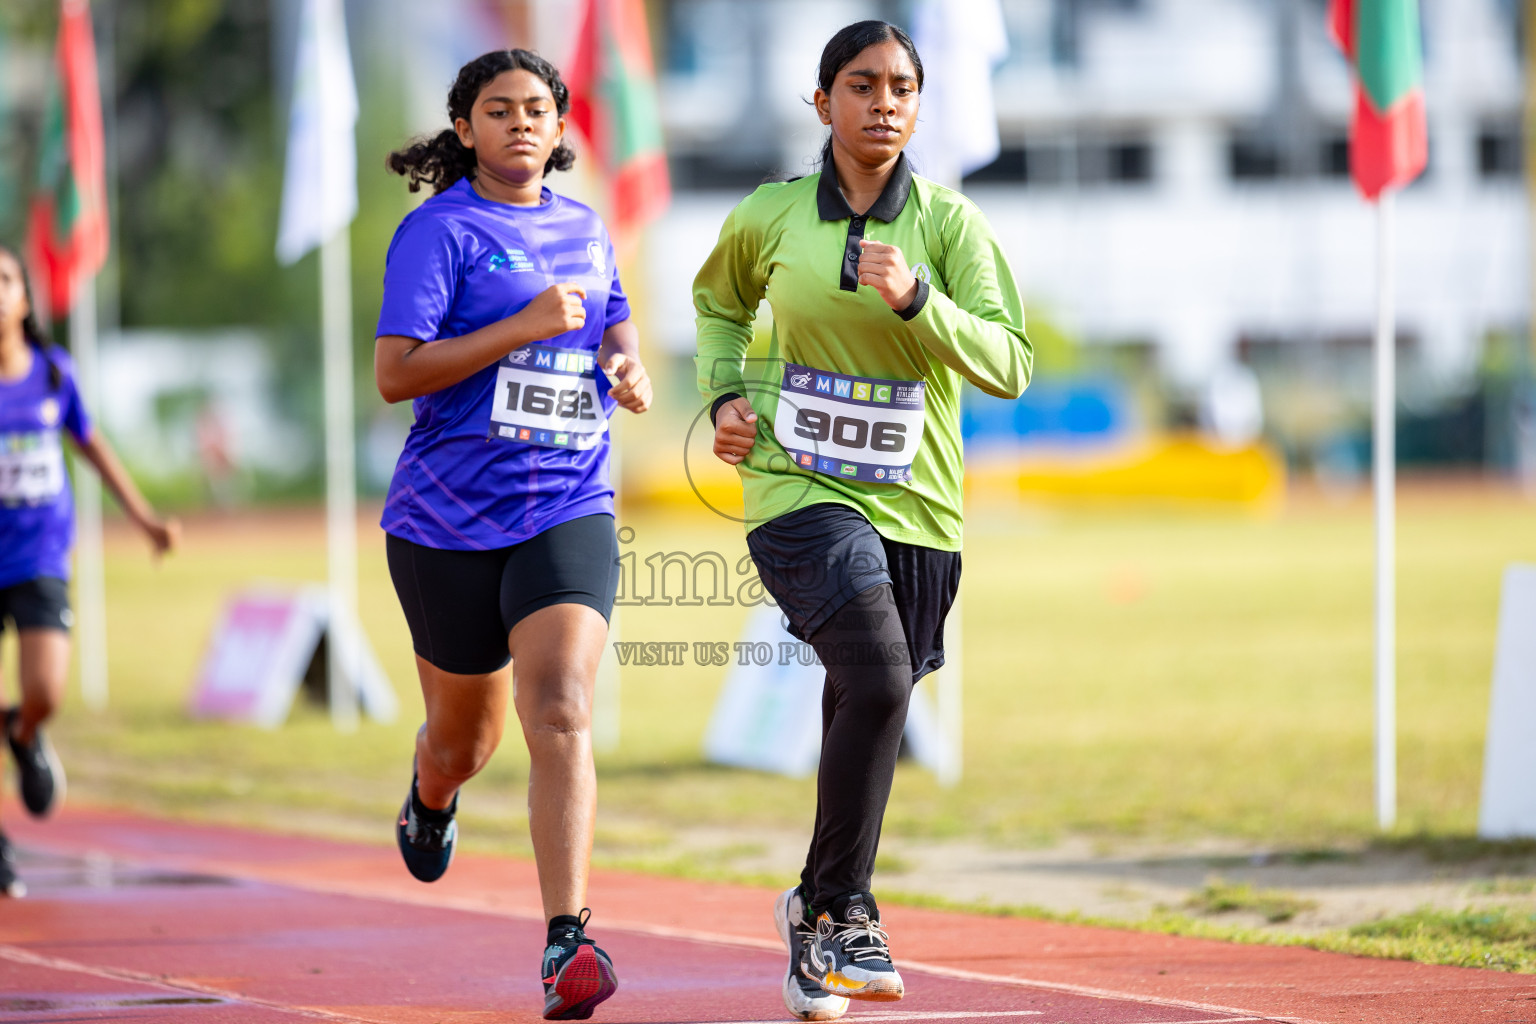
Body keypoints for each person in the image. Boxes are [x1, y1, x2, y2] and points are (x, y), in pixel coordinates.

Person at [694, 20, 1032, 1021]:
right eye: (862, 83)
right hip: (797, 489)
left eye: (901, 87)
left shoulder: (949, 227)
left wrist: (921, 299)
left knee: (873, 692)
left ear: (919, 106)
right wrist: (724, 397)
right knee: (879, 673)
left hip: (918, 505)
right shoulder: (772, 217)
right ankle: (844, 907)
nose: (883, 100)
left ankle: (814, 908)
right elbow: (717, 304)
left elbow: (1010, 364)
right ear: (822, 102)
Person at [375, 49, 650, 1021]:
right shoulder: (436, 233)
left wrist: (627, 365)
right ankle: (430, 790)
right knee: (466, 740)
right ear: (465, 129)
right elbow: (398, 374)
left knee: (564, 706)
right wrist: (521, 327)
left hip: (567, 499)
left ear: (562, 126)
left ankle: (566, 939)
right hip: (446, 523)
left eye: (537, 109)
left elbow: (613, 320)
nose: (521, 124)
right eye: (499, 110)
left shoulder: (584, 226)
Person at [0, 244, 179, 898]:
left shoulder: (52, 373)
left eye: (5, 279)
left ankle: (22, 733)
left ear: (24, 298)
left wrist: (145, 519)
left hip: (38, 552)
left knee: (45, 691)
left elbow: (94, 446)